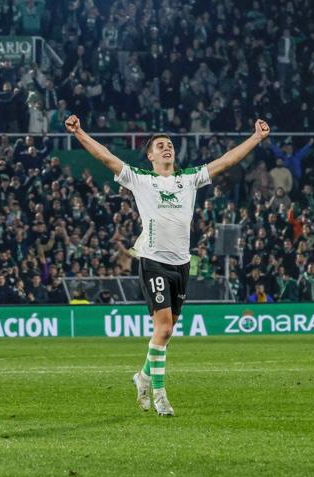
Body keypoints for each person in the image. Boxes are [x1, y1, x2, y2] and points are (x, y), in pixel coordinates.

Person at [65, 112, 271, 417]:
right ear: (149, 155)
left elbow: (226, 161)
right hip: (153, 261)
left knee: (168, 330)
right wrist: (79, 133)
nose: (166, 148)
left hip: (181, 264)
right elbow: (106, 157)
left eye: (169, 144)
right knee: (161, 329)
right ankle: (160, 395)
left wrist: (256, 137)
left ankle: (143, 376)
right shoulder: (141, 179)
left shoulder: (187, 179)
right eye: (160, 145)